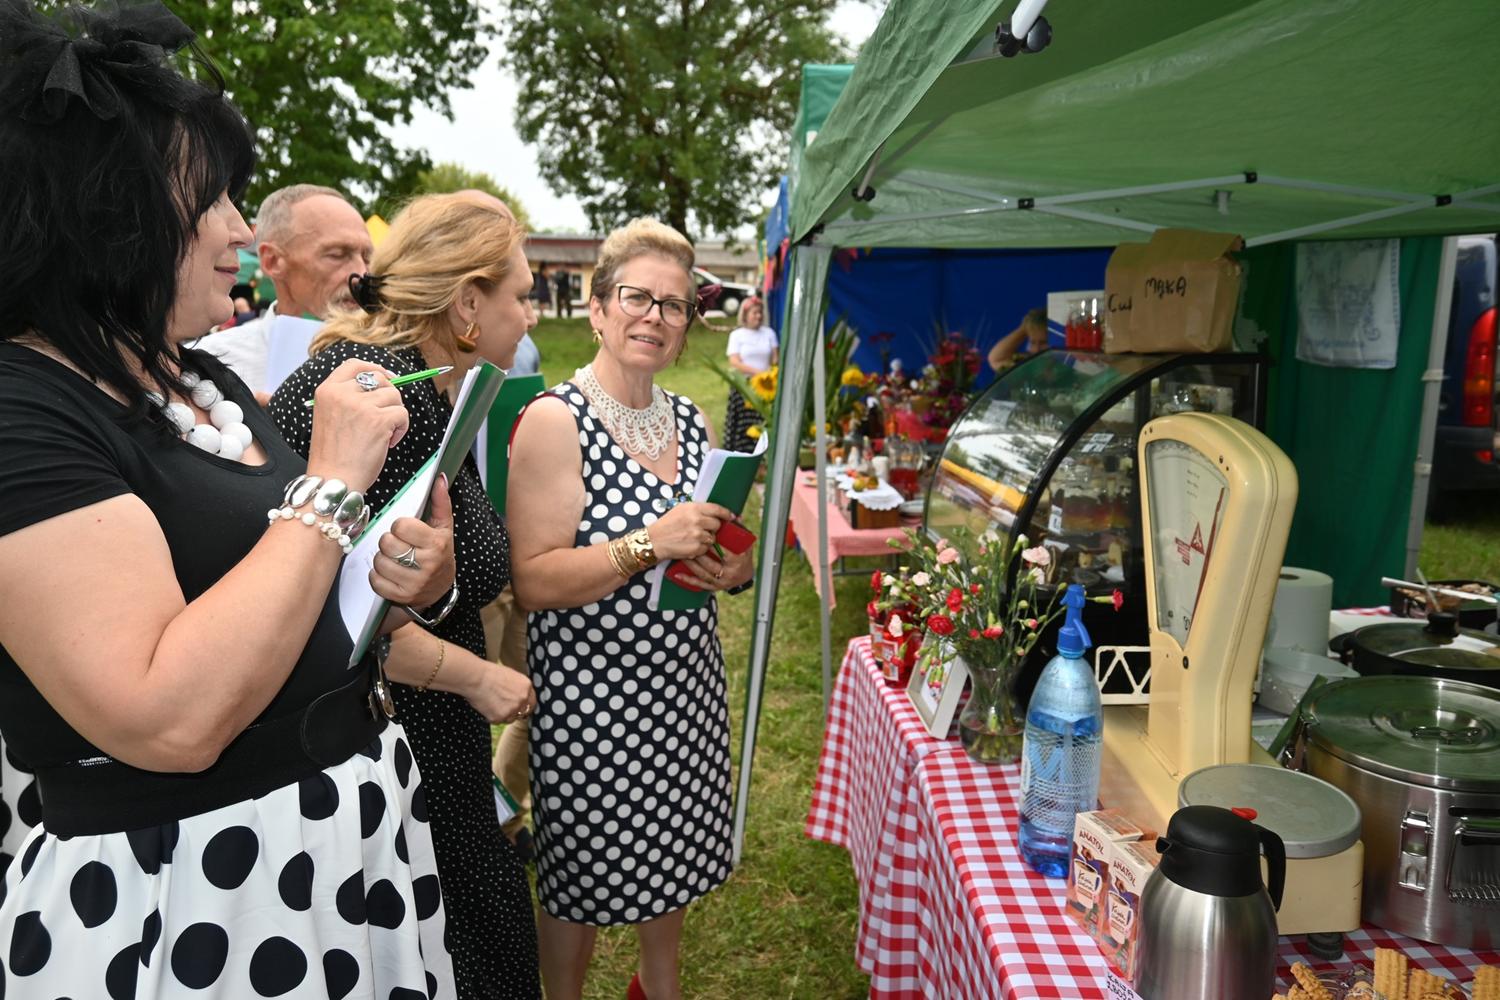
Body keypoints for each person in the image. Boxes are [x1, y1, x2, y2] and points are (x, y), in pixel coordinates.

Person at [0, 4, 461, 998]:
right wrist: (334, 484)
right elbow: (167, 719)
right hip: (194, 889)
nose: (242, 232)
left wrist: (401, 577)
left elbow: (282, 583)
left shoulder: (198, 377)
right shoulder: (22, 410)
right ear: (110, 213)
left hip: (340, 840)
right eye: (212, 199)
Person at [268, 191, 543, 1000]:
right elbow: (331, 607)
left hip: (427, 743)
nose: (531, 316)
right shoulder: (382, 397)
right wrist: (475, 676)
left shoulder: (418, 387)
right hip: (398, 747)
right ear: (467, 305)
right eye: (521, 295)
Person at [508, 217, 755, 1000]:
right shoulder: (556, 421)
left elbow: (716, 542)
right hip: (590, 702)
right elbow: (534, 580)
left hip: (684, 687)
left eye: (674, 305)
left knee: (673, 852)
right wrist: (650, 543)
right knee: (578, 877)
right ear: (597, 308)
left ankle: (658, 985)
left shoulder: (691, 419)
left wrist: (733, 566)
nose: (655, 316)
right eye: (637, 298)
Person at [195, 183, 375, 399]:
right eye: (337, 255)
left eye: (367, 258)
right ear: (272, 261)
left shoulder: (395, 357)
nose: (361, 273)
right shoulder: (211, 364)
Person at [722, 295, 777, 452]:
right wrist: (758, 373)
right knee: (742, 425)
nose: (758, 316)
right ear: (745, 315)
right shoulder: (737, 335)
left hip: (765, 387)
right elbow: (735, 362)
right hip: (744, 387)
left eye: (760, 313)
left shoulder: (769, 333)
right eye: (754, 313)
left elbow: (775, 358)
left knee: (762, 422)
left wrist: (770, 374)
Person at [987, 306, 1050, 371]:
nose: (1036, 349)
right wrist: (1024, 328)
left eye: (1044, 343)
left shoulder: (1057, 363)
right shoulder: (1028, 366)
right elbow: (996, 360)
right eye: (1032, 343)